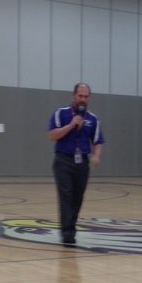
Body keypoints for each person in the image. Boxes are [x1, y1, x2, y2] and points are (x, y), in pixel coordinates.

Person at [47, 82, 104, 246]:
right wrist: (71, 125)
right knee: (65, 195)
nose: (83, 99)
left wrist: (96, 155)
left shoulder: (93, 119)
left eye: (86, 97)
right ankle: (67, 233)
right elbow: (51, 135)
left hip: (82, 163)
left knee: (77, 198)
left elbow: (98, 140)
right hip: (63, 160)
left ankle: (71, 227)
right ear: (74, 95)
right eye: (80, 96)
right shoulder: (61, 113)